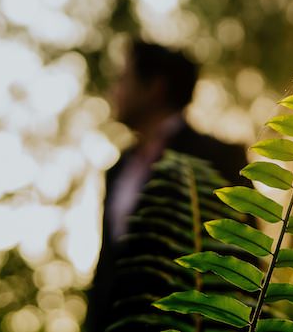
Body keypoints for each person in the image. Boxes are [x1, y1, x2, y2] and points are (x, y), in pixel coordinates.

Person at [87, 40, 247, 332]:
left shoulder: (219, 157)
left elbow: (240, 262)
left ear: (155, 87)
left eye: (123, 78)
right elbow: (107, 270)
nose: (115, 90)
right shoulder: (118, 170)